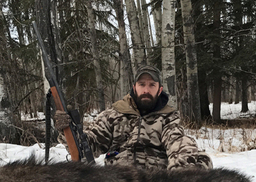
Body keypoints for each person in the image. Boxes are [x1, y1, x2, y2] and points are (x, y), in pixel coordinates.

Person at [53, 65, 212, 170]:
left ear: (160, 89)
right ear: (134, 87)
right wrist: (67, 130)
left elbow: (177, 141)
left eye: (152, 85)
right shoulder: (114, 113)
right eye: (142, 84)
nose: (146, 89)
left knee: (187, 142)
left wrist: (187, 166)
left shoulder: (168, 117)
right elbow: (89, 145)